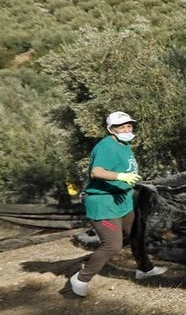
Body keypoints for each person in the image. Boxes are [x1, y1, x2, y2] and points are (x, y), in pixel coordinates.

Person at [69, 111, 166, 296]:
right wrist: (121, 176)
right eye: (121, 127)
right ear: (111, 129)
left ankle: (144, 269)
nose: (127, 130)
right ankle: (81, 278)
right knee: (112, 245)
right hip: (104, 205)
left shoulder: (124, 144)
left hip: (123, 200)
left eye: (129, 126)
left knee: (136, 233)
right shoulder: (106, 147)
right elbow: (96, 172)